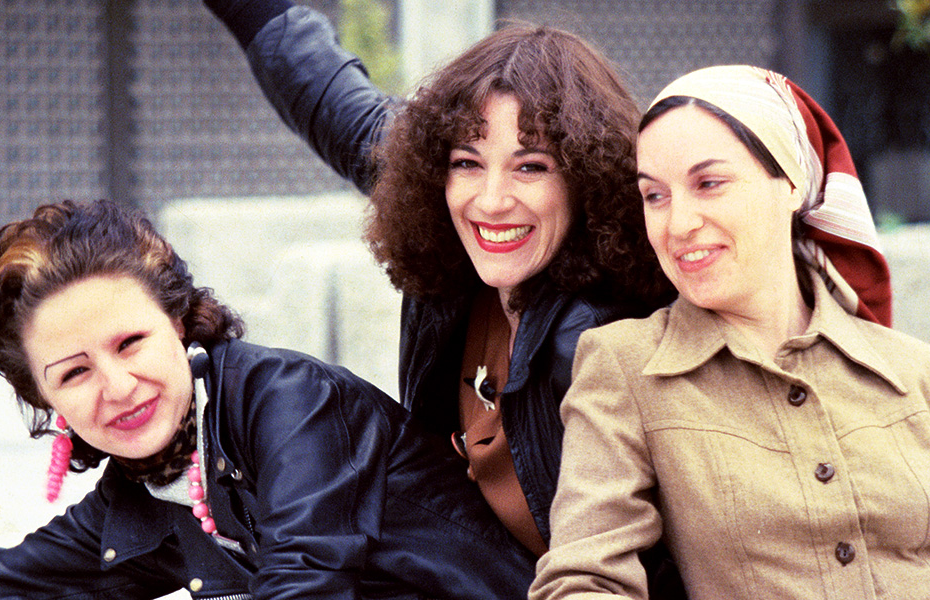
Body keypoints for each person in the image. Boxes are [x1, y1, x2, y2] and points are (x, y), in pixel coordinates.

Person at [202, 1, 681, 588]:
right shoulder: (453, 251)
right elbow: (335, 106)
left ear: (585, 178)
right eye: (467, 163)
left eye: (530, 167)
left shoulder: (605, 335)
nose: (491, 199)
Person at [530, 65, 930, 600]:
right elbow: (582, 580)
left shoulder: (922, 373)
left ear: (792, 183)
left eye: (709, 183)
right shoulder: (625, 366)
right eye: (655, 196)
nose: (678, 222)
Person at [0, 199, 535, 600]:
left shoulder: (291, 404)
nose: (118, 387)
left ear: (178, 322)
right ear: (46, 399)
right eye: (74, 374)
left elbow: (303, 585)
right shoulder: (142, 493)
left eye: (130, 342)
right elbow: (0, 587)